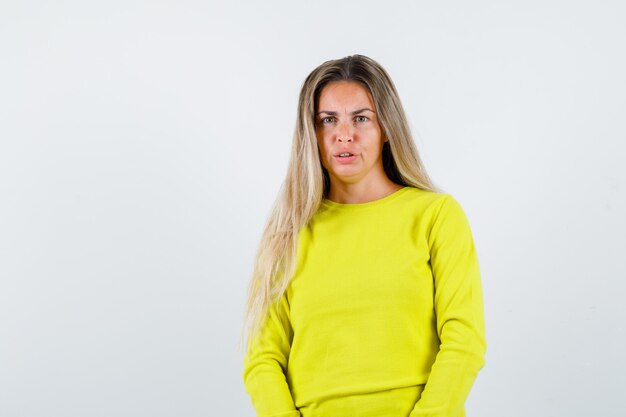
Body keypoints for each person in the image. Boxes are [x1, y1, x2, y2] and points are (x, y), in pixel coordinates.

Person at [241, 54, 486, 417]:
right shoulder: (288, 232)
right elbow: (262, 360)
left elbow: (465, 340)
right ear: (312, 133)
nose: (345, 134)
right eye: (328, 120)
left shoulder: (436, 216)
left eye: (361, 118)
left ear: (386, 128)